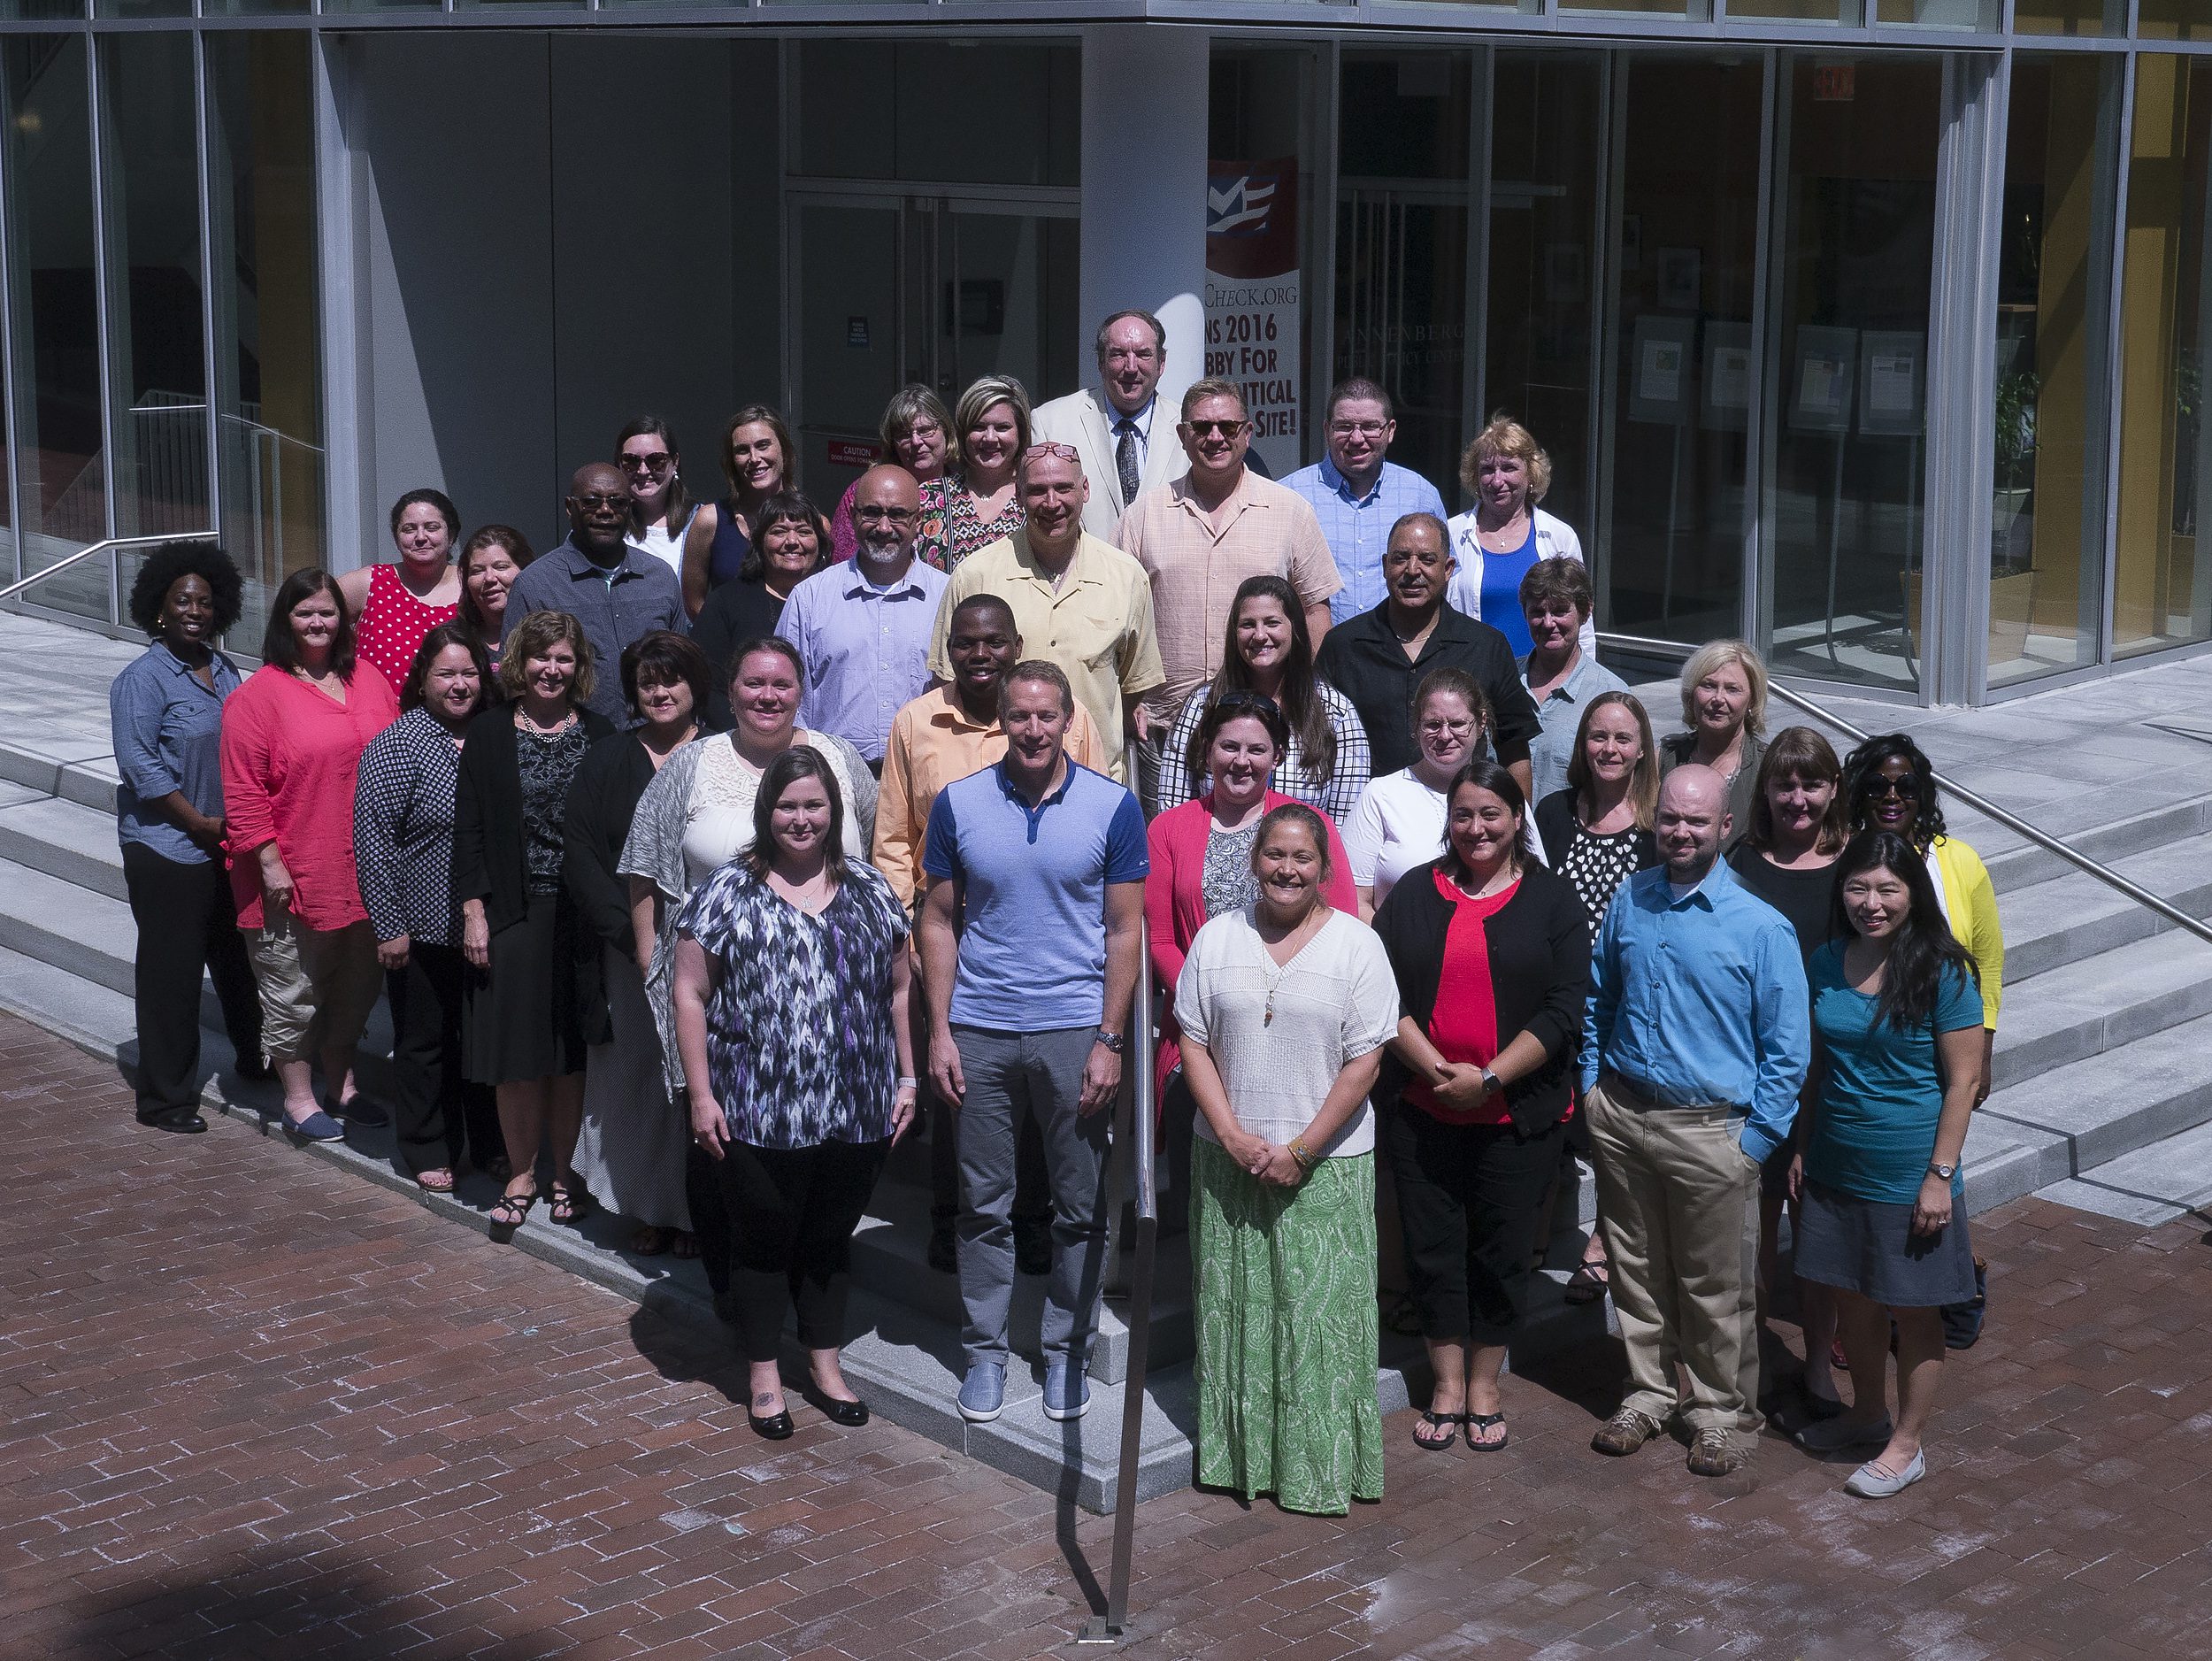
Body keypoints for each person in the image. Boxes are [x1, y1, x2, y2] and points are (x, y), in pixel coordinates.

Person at [919, 660, 1147, 1426]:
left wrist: (1110, 1037)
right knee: (984, 1202)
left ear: (1068, 717)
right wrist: (941, 1029)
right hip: (980, 1027)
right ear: (1003, 720)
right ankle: (984, 1351)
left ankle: (1065, 1351)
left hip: (1074, 1028)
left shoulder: (1113, 807)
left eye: (1047, 715)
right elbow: (940, 920)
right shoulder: (958, 803)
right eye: (1020, 716)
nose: (1034, 729)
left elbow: (1125, 930)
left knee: (1078, 1206)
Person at [619, 638, 879, 1304]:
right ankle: (736, 1297)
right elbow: (645, 869)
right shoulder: (692, 764)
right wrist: (656, 964)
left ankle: (801, 1288)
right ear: (730, 691)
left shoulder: (841, 761)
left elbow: (873, 856)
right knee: (719, 1148)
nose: (769, 696)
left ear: (801, 691)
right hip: (711, 1000)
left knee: (816, 1153)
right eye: (754, 683)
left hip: (828, 1009)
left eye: (782, 684)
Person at [672, 749, 918, 1439]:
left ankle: (826, 1365)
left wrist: (907, 1076)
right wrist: (700, 1094)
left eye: (815, 806)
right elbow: (689, 993)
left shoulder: (870, 888)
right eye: (788, 806)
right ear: (766, 811)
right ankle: (763, 1374)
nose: (802, 819)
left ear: (834, 812)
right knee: (764, 1240)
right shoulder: (728, 891)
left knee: (830, 1238)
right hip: (758, 1107)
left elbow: (900, 990)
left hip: (858, 1103)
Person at [1581, 765, 1809, 1479]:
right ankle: (1649, 1393)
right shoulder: (1632, 899)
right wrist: (1594, 1088)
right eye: (1671, 819)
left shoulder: (1761, 927)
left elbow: (1787, 1048)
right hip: (1625, 1115)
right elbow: (1599, 999)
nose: (1681, 832)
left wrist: (1757, 1141)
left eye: (1696, 822)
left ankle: (1720, 1413)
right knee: (1637, 1273)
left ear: (1724, 828)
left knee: (1717, 1287)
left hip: (1713, 1130)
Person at [1174, 804, 1400, 1513]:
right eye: (1274, 854)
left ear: (1325, 869)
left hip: (1325, 1163)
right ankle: (1240, 1461)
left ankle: (1316, 1468)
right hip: (1228, 1162)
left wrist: (1302, 1149)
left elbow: (1366, 1061)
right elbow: (1193, 1044)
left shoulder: (1358, 946)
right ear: (1253, 860)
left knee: (1316, 1322)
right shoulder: (1217, 939)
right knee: (1237, 1313)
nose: (1287, 869)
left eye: (1302, 858)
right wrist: (1233, 1134)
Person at [876, 594, 1105, 1273]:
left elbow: (1092, 803)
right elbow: (892, 838)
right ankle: (953, 1219)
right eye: (967, 642)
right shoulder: (916, 722)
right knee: (959, 1088)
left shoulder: (1069, 715)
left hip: (1045, 931)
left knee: (1039, 1094)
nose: (981, 654)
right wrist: (911, 938)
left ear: (1015, 643)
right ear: (948, 648)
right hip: (948, 932)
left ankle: (1033, 1220)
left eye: (995, 641)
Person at [1372, 762, 1591, 1454]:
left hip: (1515, 1113)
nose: (1477, 828)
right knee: (1433, 1250)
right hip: (1424, 1104)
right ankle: (1444, 1385)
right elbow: (1384, 995)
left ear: (1517, 818)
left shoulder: (1552, 902)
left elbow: (1564, 1010)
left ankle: (1486, 1385)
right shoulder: (1413, 892)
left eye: (1491, 813)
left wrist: (1490, 1078)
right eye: (1464, 814)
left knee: (1499, 1252)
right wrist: (1439, 1071)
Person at [1789, 831, 1985, 1498]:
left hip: (1910, 1171)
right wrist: (1802, 1145)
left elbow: (1963, 1082)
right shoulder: (1824, 960)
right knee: (1853, 1297)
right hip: (1837, 1162)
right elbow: (1819, 1067)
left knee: (1914, 1308)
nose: (1871, 902)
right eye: (1858, 887)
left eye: (1887, 889)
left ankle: (1908, 1442)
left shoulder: (1944, 970)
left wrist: (1940, 1174)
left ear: (1913, 893)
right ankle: (1866, 1413)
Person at [221, 569, 399, 1143]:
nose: (319, 622)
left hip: (365, 871)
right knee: (293, 989)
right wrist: (270, 862)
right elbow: (243, 791)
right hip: (291, 874)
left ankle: (341, 1085)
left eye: (328, 612)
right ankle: (298, 1098)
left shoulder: (369, 678)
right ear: (284, 620)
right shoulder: (258, 695)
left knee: (354, 986)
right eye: (306, 613)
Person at [454, 610, 616, 1236]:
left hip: (578, 916)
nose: (552, 669)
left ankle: (563, 1173)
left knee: (569, 1052)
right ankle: (519, 1173)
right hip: (513, 913)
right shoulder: (491, 732)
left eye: (564, 659)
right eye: (542, 657)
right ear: (521, 660)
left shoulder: (601, 734)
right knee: (517, 1055)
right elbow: (468, 829)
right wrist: (474, 911)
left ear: (579, 668)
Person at [110, 541, 266, 1133]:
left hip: (229, 843)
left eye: (204, 600)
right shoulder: (141, 679)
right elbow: (140, 765)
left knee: (238, 962)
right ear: (159, 607)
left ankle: (256, 1061)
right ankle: (165, 1098)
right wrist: (198, 823)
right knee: (171, 975)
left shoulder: (226, 669)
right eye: (182, 600)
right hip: (168, 847)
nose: (194, 609)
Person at [565, 632, 710, 1258]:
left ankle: (700, 1213)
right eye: (647, 681)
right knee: (639, 1082)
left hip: (715, 952)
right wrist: (633, 939)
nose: (659, 690)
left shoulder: (725, 754)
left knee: (701, 1083)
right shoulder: (606, 759)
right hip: (632, 954)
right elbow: (582, 855)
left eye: (671, 678)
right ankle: (649, 1208)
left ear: (695, 684)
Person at [1114, 379, 1341, 753]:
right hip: (1163, 728)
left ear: (1248, 433)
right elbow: (1117, 616)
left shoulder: (1291, 511)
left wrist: (1303, 696)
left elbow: (1315, 611)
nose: (1215, 437)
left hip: (1266, 728)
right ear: (1183, 435)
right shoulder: (1143, 516)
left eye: (1228, 427)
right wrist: (1126, 697)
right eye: (1202, 427)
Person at [1729, 727, 1851, 1416]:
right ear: (1765, 790)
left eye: (1811, 784)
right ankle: (1752, 1359)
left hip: (1828, 1074)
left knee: (1818, 1227)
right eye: (1784, 783)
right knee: (1754, 1232)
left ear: (1834, 789)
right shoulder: (1742, 861)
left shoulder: (1851, 866)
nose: (1797, 798)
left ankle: (1817, 1363)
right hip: (1755, 1071)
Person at [353, 624, 501, 1190]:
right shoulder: (399, 744)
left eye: (469, 672)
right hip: (423, 928)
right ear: (423, 680)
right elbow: (373, 841)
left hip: (491, 923)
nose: (460, 685)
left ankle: (490, 1142)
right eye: (447, 674)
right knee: (425, 1043)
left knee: (483, 1039)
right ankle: (427, 1145)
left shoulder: (496, 733)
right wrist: (389, 926)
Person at [927, 442, 1165, 785]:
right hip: (996, 783)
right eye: (1038, 490)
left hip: (1093, 781)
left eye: (1063, 488)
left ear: (1084, 489)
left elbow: (1130, 689)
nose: (1052, 503)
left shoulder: (1127, 577)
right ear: (1019, 494)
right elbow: (947, 682)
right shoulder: (976, 575)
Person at [1533, 689, 1663, 1308]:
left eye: (1622, 738)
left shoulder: (1657, 825)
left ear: (1642, 750)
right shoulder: (1555, 812)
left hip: (1626, 1006)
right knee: (1553, 1122)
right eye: (1598, 736)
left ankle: (1604, 1241)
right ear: (1581, 745)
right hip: (1556, 1000)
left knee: (1615, 1131)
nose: (1609, 748)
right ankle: (1539, 1231)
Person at [1315, 512, 1543, 788]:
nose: (1412, 570)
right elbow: (1316, 744)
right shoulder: (1342, 646)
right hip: (1363, 817)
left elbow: (1514, 751)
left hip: (1462, 819)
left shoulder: (1486, 647)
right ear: (1386, 565)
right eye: (1400, 558)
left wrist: (1519, 825)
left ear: (1448, 569)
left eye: (1427, 559)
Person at [1840, 734, 2003, 1105]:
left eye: (1907, 786)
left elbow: (1988, 962)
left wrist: (1984, 1049)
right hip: (1859, 1042)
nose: (1892, 796)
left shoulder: (1962, 862)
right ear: (1858, 794)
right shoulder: (1843, 860)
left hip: (1941, 1038)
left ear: (1923, 795)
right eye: (1876, 786)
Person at [1157, 575, 1371, 822]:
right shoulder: (1202, 705)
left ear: (1295, 628)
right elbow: (1172, 812)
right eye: (1248, 624)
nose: (1259, 635)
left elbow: (1343, 825)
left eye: (1272, 623)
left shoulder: (1336, 713)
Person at [781, 465, 949, 767]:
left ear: (918, 521)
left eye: (897, 514)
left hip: (924, 775)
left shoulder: (947, 597)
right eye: (871, 512)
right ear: (854, 516)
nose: (884, 527)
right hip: (834, 779)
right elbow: (790, 700)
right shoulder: (809, 599)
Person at [503, 463, 687, 727]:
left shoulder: (660, 577)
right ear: (570, 507)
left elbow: (682, 667)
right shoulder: (535, 585)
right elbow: (515, 683)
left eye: (618, 502)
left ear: (630, 508)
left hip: (656, 743)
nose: (605, 511)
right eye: (591, 502)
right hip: (574, 747)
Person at [1282, 378, 1448, 627]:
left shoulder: (1420, 494)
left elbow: (1443, 579)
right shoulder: (1290, 496)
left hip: (1401, 652)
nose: (1357, 438)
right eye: (1345, 426)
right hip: (1318, 655)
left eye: (1370, 426)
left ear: (1390, 431)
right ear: (1327, 429)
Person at [1340, 668, 1492, 915]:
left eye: (1457, 724)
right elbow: (1354, 900)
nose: (1444, 735)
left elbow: (1534, 885)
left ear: (1481, 723)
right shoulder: (1381, 795)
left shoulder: (1502, 794)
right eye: (1432, 724)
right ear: (1416, 727)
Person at [1032, 309, 1191, 540]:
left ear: (1161, 363)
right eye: (1118, 354)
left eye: (1143, 354)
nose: (1131, 367)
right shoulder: (1050, 422)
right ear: (1100, 362)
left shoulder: (1191, 427)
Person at [1444, 418, 1593, 659]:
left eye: (1509, 468)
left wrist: (1586, 684)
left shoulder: (1559, 536)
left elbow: (1582, 623)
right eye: (1487, 470)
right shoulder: (1451, 534)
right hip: (1472, 680)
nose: (1497, 480)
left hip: (1544, 682)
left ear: (1531, 473)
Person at [690, 491, 832, 728]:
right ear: (759, 542)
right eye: (779, 531)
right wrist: (748, 736)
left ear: (820, 543)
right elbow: (706, 683)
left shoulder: (837, 600)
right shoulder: (727, 601)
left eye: (804, 532)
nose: (792, 541)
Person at [1519, 557, 1627, 805]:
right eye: (1537, 612)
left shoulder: (1612, 695)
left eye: (1559, 611)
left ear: (1585, 612)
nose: (1548, 623)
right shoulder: (1503, 680)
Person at [339, 489, 465, 691]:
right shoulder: (371, 582)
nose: (421, 537)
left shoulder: (471, 585)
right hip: (379, 718)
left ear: (451, 535)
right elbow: (308, 614)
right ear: (396, 538)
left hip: (458, 719)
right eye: (409, 529)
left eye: (432, 528)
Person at [828, 385, 956, 567]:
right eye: (904, 435)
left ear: (946, 431)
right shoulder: (862, 493)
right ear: (892, 444)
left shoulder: (962, 492)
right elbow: (843, 561)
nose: (916, 442)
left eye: (926, 430)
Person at [1659, 640, 1770, 847]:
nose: (1718, 698)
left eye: (1732, 689)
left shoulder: (1769, 766)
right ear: (1691, 693)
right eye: (1708, 686)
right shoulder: (1665, 759)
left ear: (1752, 701)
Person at [682, 405, 793, 615]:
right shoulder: (710, 520)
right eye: (742, 450)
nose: (754, 458)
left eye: (763, 446)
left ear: (784, 451)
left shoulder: (814, 524)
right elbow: (694, 602)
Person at [942, 375, 1033, 569]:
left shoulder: (1037, 498)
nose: (990, 438)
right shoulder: (931, 499)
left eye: (1002, 428)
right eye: (978, 427)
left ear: (1021, 433)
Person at [618, 416, 698, 579]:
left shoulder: (701, 521)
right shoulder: (605, 523)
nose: (643, 471)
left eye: (656, 460)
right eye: (631, 461)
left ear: (674, 462)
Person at [457, 527, 535, 672]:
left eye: (501, 567)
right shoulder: (455, 639)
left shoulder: (549, 634)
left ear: (526, 570)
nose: (489, 578)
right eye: (478, 571)